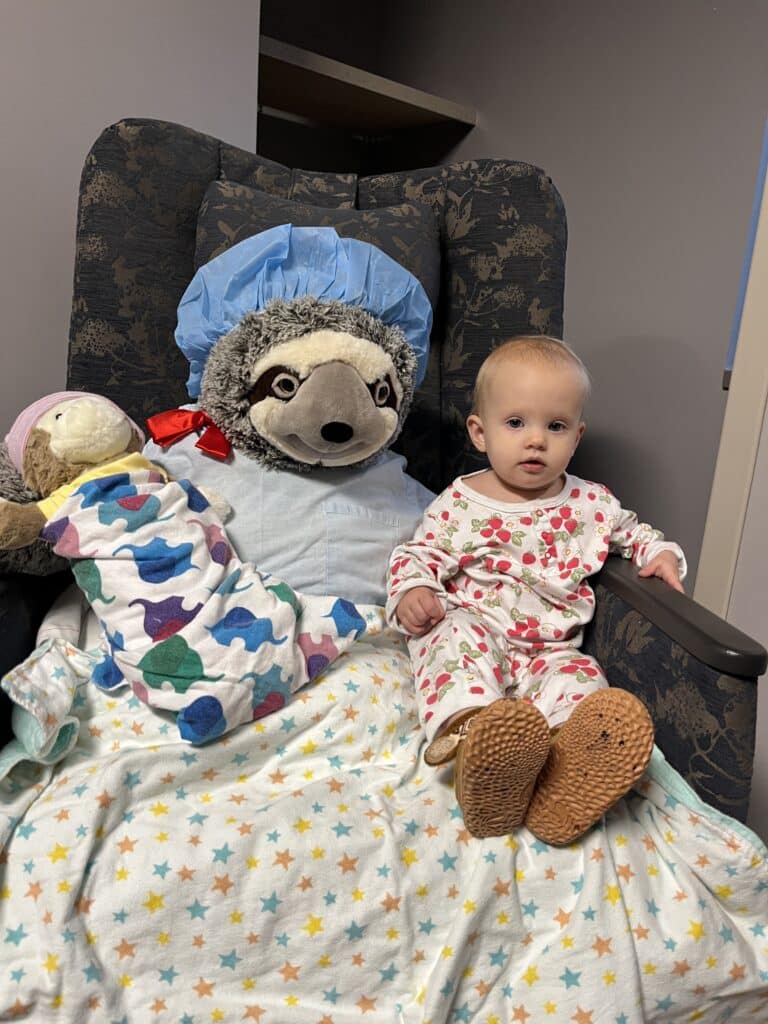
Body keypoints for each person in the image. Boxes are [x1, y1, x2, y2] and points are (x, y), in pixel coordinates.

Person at [385, 336, 686, 845]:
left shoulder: (592, 503)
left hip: (552, 650)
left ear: (577, 436)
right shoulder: (461, 504)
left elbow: (635, 534)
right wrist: (414, 589)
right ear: (480, 432)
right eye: (515, 422)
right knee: (450, 636)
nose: (536, 441)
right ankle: (477, 741)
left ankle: (566, 777)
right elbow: (417, 555)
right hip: (480, 631)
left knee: (583, 680)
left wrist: (660, 554)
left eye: (556, 426)